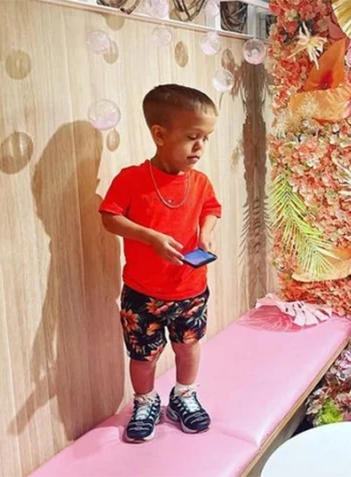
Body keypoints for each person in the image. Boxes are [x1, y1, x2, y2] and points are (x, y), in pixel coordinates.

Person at [99, 84, 222, 442]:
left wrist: (206, 232)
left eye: (206, 138)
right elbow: (110, 217)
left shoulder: (200, 182)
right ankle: (145, 401)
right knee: (143, 356)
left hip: (190, 288)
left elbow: (212, 209)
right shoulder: (131, 179)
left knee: (188, 346)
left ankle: (184, 395)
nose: (200, 147)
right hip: (142, 293)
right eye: (192, 137)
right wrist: (150, 237)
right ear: (159, 134)